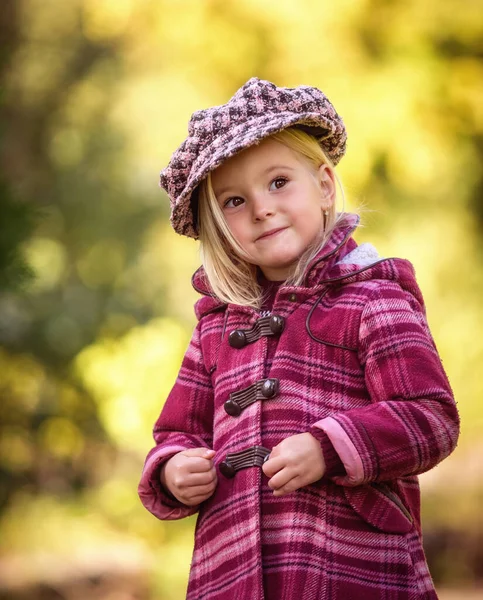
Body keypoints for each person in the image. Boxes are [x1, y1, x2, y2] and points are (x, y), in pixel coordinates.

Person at [138, 78, 459, 600]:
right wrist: (174, 469)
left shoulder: (370, 298)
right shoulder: (216, 328)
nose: (261, 208)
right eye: (235, 200)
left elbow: (431, 415)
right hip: (233, 574)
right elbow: (177, 432)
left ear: (326, 185)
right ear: (218, 226)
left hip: (350, 568)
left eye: (279, 182)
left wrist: (330, 446)